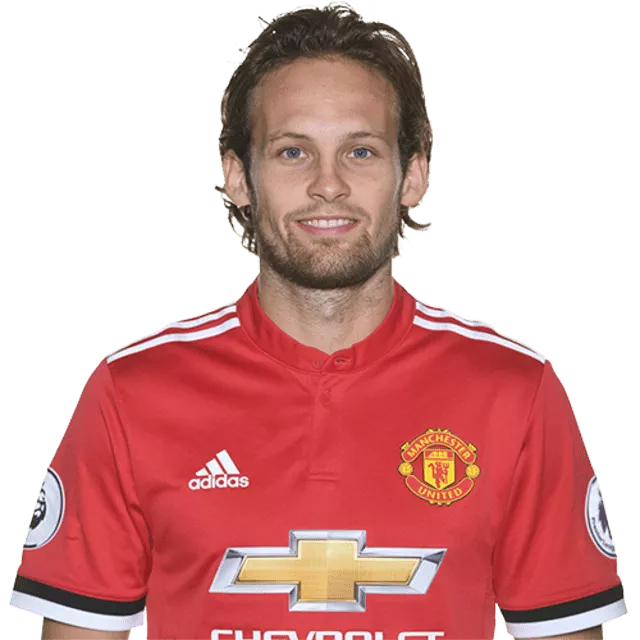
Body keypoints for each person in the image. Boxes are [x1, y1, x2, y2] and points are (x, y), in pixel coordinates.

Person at [9, 2, 628, 639]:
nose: (327, 185)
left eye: (360, 151)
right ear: (238, 176)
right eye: (292, 152)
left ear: (413, 174)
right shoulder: (132, 394)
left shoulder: (515, 392)